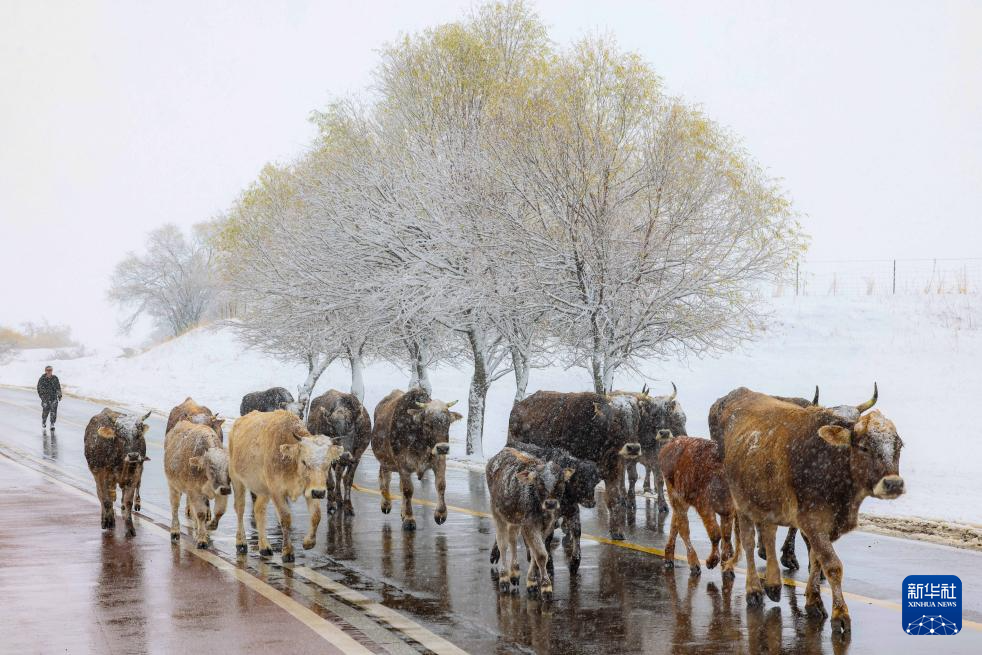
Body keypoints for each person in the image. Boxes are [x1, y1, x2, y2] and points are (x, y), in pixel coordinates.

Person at [37, 365, 62, 430]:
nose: (49, 371)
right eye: (48, 370)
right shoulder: (42, 379)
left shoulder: (55, 378)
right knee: (46, 411)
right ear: (45, 371)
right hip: (45, 399)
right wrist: (42, 397)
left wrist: (59, 395)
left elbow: (58, 387)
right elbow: (39, 389)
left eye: (50, 370)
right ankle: (44, 421)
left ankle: (52, 424)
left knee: (53, 411)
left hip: (54, 398)